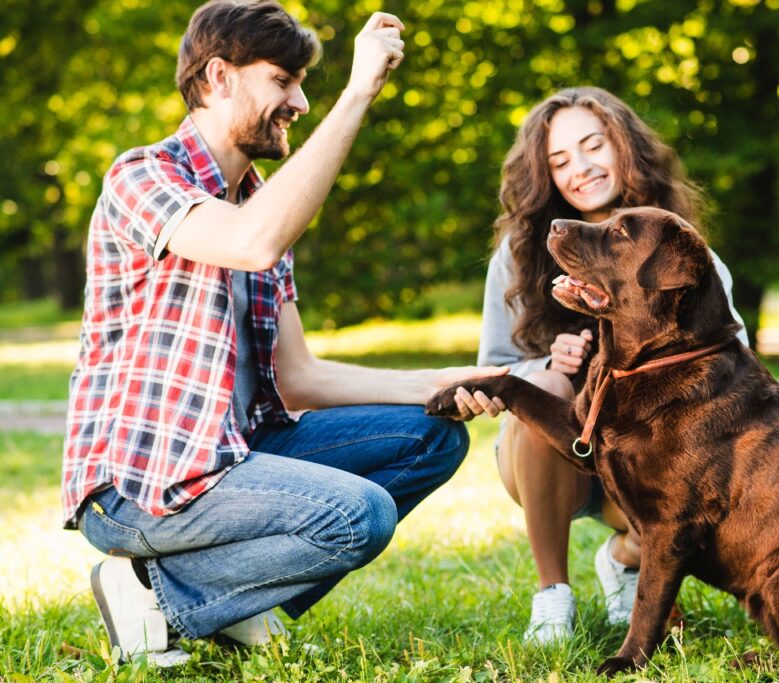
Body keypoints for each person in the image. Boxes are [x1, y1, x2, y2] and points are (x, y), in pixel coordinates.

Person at [62, 0, 503, 666]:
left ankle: (222, 601)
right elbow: (252, 242)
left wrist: (439, 382)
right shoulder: (143, 176)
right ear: (219, 77)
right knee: (360, 514)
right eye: (282, 80)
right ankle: (158, 597)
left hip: (232, 454)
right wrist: (358, 92)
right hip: (138, 484)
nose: (298, 101)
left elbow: (300, 375)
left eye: (304, 84)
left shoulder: (259, 200)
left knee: (433, 436)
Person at [454, 87, 779, 645]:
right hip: (556, 460)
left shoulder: (683, 251)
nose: (581, 169)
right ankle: (552, 596)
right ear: (544, 176)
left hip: (648, 460)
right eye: (559, 162)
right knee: (537, 399)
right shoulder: (519, 256)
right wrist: (550, 365)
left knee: (699, 513)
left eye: (593, 146)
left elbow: (735, 371)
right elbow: (495, 369)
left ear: (625, 146)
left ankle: (624, 559)